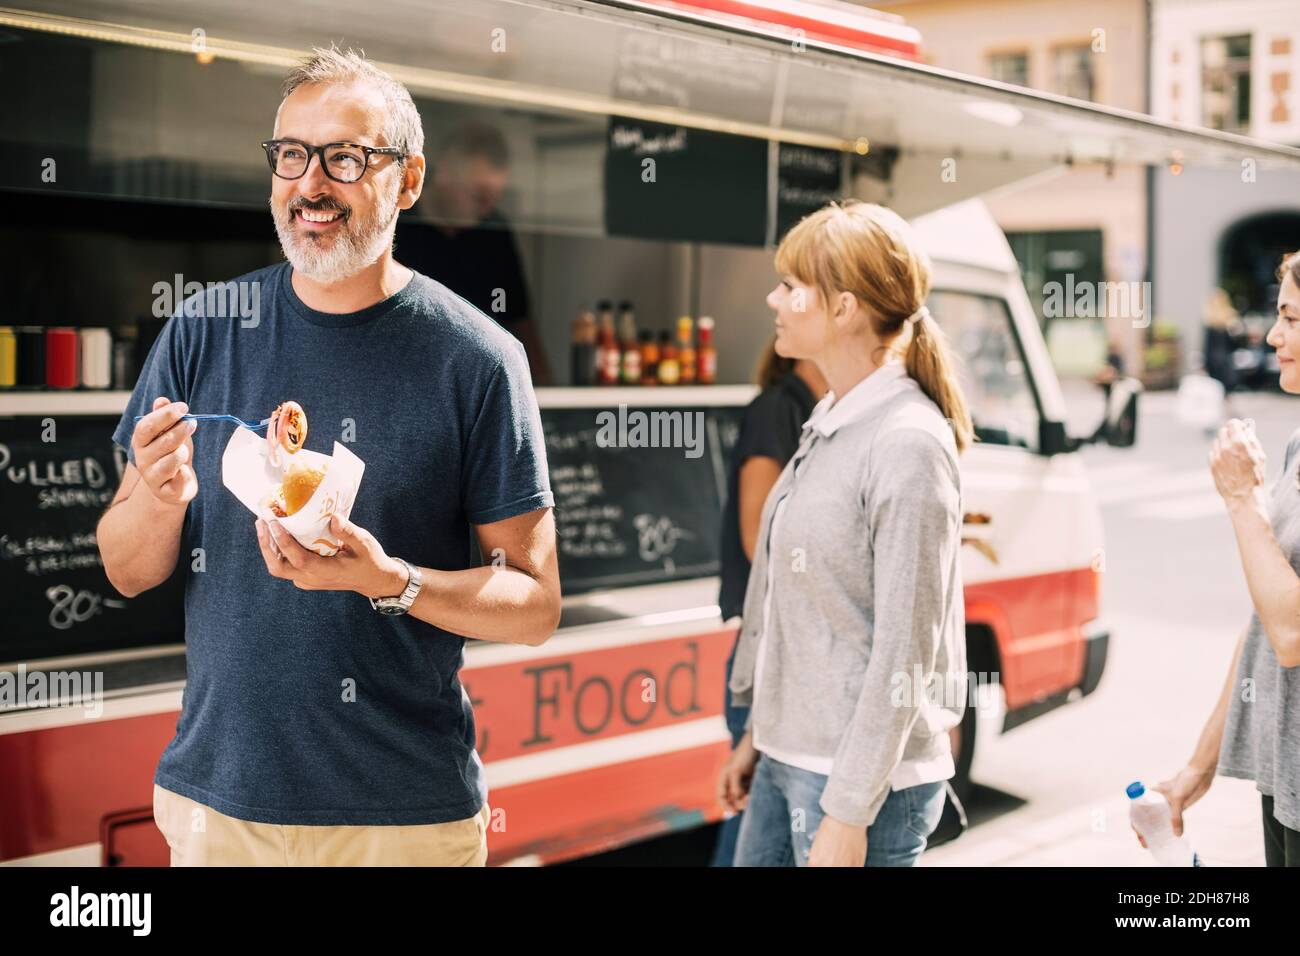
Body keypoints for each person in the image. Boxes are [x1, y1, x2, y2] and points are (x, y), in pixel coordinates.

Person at [96, 46, 561, 866]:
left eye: (345, 157)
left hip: (402, 820)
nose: (310, 184)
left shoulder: (478, 359)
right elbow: (127, 569)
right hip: (219, 805)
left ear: (407, 180)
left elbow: (533, 603)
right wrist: (158, 498)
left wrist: (390, 582)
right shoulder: (204, 330)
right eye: (291, 155)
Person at [716, 200, 973, 867]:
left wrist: (850, 810)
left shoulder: (906, 442)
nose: (774, 298)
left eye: (792, 286)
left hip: (856, 785)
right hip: (787, 758)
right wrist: (758, 736)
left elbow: (905, 649)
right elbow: (788, 600)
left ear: (844, 309)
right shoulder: (833, 418)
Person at [1144, 251, 1300, 867]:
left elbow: (1292, 632)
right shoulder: (1296, 444)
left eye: (1289, 318)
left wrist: (1242, 498)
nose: (1272, 335)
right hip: (1284, 779)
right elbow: (1265, 618)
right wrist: (1196, 770)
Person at [710, 340, 826, 867]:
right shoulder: (779, 409)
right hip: (771, 653)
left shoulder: (831, 410)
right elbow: (759, 538)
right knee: (753, 840)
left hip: (798, 653)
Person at [395, 120, 553, 385]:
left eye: (495, 196)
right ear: (445, 174)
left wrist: (544, 385)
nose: (487, 207)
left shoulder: (494, 232)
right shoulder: (400, 224)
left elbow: (520, 321)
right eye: (480, 195)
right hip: (405, 375)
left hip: (476, 381)